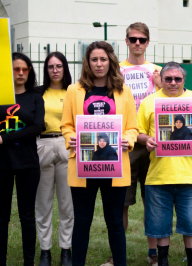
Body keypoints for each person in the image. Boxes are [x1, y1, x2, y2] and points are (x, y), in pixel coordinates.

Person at [60, 41, 138, 266]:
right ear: (88, 62)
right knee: (82, 221)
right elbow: (66, 125)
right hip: (83, 166)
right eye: (94, 59)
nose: (98, 63)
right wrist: (69, 137)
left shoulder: (124, 91)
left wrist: (128, 139)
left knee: (114, 221)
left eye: (103, 59)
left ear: (110, 61)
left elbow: (132, 127)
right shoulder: (74, 90)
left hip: (114, 166)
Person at [137, 62, 192, 266]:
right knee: (160, 225)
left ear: (184, 80)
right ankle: (162, 261)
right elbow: (138, 132)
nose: (173, 83)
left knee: (190, 224)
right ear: (161, 79)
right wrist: (147, 140)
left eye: (177, 79)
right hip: (158, 175)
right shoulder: (149, 102)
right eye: (168, 79)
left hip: (190, 175)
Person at [0, 52, 45, 266]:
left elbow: (38, 127)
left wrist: (3, 137)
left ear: (29, 72)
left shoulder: (35, 97)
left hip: (27, 163)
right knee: (1, 217)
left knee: (27, 216)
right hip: (0, 163)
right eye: (16, 69)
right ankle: (0, 262)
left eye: (25, 69)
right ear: (9, 72)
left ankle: (29, 262)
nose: (21, 73)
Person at [119, 22, 162, 266]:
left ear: (147, 42)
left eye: (142, 39)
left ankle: (153, 252)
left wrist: (159, 85)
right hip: (125, 142)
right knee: (122, 200)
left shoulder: (157, 70)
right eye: (133, 39)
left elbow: (172, 101)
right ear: (126, 41)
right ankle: (118, 251)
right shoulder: (116, 70)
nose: (137, 43)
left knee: (153, 199)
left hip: (152, 141)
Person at [34, 51, 74, 266]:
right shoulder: (37, 92)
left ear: (64, 68)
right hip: (43, 144)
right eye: (51, 66)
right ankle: (45, 251)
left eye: (59, 66)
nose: (55, 70)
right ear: (46, 69)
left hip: (67, 145)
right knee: (43, 203)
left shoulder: (74, 92)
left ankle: (66, 250)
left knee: (67, 204)